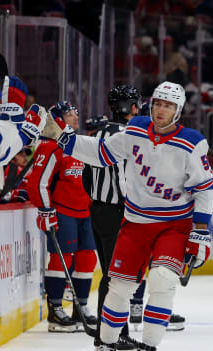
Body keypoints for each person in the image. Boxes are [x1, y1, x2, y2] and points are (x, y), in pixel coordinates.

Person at [55, 81, 213, 350]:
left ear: (178, 110)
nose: (161, 110)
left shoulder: (192, 142)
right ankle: (105, 343)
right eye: (158, 103)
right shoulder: (136, 129)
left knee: (162, 280)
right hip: (135, 222)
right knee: (118, 287)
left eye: (168, 105)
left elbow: (204, 187)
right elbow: (102, 152)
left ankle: (151, 345)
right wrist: (63, 138)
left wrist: (200, 230)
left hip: (173, 226)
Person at [26, 101, 98, 333]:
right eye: (69, 115)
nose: (75, 119)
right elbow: (38, 182)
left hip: (85, 213)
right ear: (57, 119)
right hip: (62, 212)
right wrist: (45, 209)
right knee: (61, 261)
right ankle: (55, 310)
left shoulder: (80, 145)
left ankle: (82, 307)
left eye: (76, 114)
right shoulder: (50, 147)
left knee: (87, 260)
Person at [88, 85, 142, 349]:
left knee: (113, 275)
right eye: (135, 104)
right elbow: (124, 178)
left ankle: (115, 332)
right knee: (117, 277)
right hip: (117, 212)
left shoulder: (98, 131)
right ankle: (107, 336)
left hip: (98, 210)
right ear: (125, 107)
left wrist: (99, 201)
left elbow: (88, 176)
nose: (139, 108)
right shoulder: (125, 133)